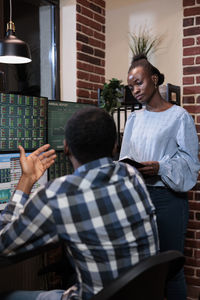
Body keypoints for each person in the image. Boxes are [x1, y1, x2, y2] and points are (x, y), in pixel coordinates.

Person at [0, 107, 159, 300]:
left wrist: (27, 179)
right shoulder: (131, 174)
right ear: (115, 146)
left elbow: (4, 244)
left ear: (66, 147)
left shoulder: (59, 195)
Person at [119, 54, 200, 300]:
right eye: (131, 86)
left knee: (170, 269)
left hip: (168, 200)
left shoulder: (179, 117)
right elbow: (125, 156)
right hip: (139, 198)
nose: (135, 90)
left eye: (139, 83)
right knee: (143, 269)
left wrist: (160, 168)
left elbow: (191, 164)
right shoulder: (134, 118)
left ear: (154, 79)